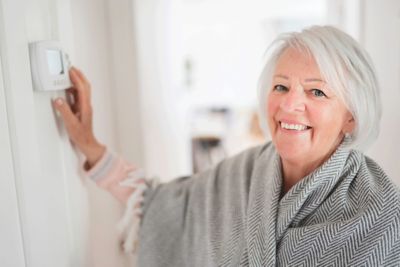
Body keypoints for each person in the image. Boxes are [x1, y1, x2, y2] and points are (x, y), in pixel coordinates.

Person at [53, 25, 400, 266]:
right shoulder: (242, 174)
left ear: (351, 117)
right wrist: (89, 145)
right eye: (281, 87)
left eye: (317, 91)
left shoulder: (381, 214)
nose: (290, 105)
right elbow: (163, 205)